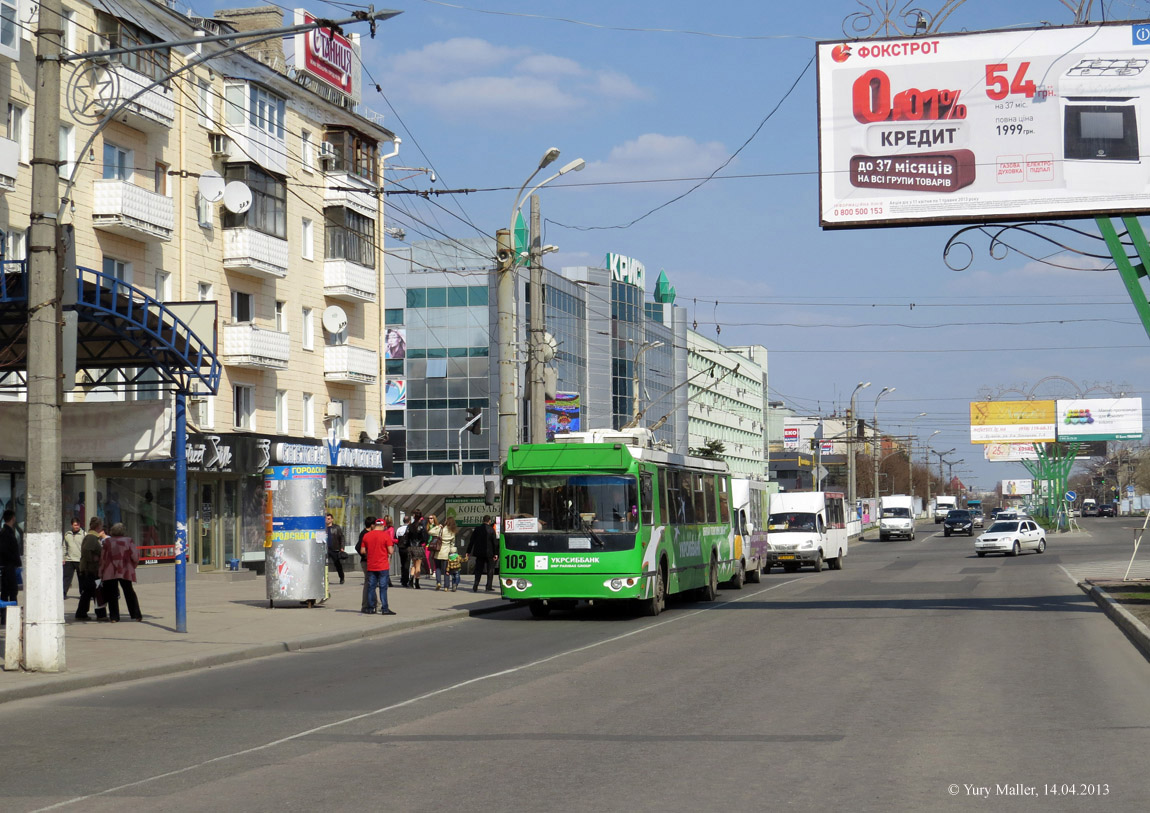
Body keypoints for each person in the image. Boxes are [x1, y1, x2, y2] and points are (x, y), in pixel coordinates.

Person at [99, 522, 141, 622]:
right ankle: (136, 615)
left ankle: (114, 617)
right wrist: (133, 566)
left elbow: (103, 558)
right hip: (125, 570)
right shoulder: (129, 541)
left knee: (112, 594)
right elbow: (135, 556)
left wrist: (101, 571)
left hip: (110, 570)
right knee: (129, 592)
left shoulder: (107, 542)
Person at [360, 517, 396, 615]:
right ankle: (385, 609)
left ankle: (371, 608)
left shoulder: (367, 536)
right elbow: (390, 551)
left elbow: (362, 551)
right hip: (383, 565)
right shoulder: (385, 536)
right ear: (383, 526)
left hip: (371, 565)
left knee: (371, 587)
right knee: (383, 587)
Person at [75, 517, 106, 622]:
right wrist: (93, 560)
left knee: (90, 593)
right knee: (96, 592)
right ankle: (99, 614)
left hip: (91, 570)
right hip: (91, 571)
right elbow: (87, 551)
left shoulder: (92, 537)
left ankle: (83, 613)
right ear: (98, 526)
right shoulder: (91, 538)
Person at [467, 515, 499, 593]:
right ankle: (488, 586)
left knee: (478, 569)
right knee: (490, 569)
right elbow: (495, 543)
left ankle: (476, 584)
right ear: (489, 521)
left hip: (479, 553)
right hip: (489, 553)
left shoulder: (477, 529)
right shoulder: (491, 530)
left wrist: (468, 551)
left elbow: (472, 541)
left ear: (483, 520)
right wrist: (496, 553)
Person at [0, 509, 20, 625]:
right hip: (8, 567)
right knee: (11, 592)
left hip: (7, 567)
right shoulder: (6, 533)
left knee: (6, 592)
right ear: (12, 518)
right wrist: (15, 562)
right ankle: (10, 617)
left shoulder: (6, 532)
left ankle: (5, 617)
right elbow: (8, 551)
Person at [355, 516, 375, 612]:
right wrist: (366, 555)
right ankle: (366, 605)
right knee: (369, 583)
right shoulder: (365, 534)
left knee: (371, 583)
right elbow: (357, 547)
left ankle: (374, 603)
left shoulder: (366, 533)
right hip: (366, 562)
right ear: (372, 525)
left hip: (367, 561)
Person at [62, 517, 84, 599]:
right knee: (66, 578)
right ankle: (63, 592)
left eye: (78, 525)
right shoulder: (68, 535)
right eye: (75, 525)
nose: (77, 527)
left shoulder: (83, 534)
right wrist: (63, 557)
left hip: (80, 560)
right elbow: (64, 547)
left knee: (81, 579)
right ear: (72, 525)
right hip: (69, 560)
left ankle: (83, 593)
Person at [433, 516, 457, 591]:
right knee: (447, 570)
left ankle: (438, 582)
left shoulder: (441, 529)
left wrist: (437, 527)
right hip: (447, 553)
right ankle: (446, 586)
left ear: (446, 522)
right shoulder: (452, 532)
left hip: (438, 551)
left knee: (437, 568)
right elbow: (452, 544)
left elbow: (430, 531)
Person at [325, 513, 346, 585]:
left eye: (329, 519)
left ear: (332, 519)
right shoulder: (323, 528)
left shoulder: (336, 528)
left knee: (337, 564)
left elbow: (342, 537)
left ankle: (342, 578)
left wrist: (342, 547)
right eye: (326, 519)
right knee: (324, 565)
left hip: (334, 549)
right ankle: (324, 579)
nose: (327, 520)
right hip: (325, 549)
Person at [407, 510, 427, 589]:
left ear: (414, 516)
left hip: (411, 546)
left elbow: (407, 536)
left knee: (413, 564)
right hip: (418, 546)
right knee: (418, 565)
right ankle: (417, 583)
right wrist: (422, 542)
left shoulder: (410, 526)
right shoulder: (421, 526)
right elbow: (424, 537)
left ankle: (411, 581)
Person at [395, 514, 410, 588]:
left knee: (402, 563)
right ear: (409, 521)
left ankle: (403, 578)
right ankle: (406, 580)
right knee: (407, 564)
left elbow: (396, 539)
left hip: (400, 548)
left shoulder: (399, 529)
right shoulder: (409, 528)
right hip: (407, 548)